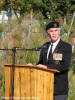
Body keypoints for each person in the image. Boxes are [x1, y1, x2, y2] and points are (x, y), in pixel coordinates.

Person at [37, 21, 72, 100]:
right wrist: (33, 67)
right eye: (51, 31)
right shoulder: (44, 46)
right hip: (44, 88)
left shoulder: (66, 47)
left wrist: (47, 67)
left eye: (56, 30)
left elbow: (65, 66)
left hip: (59, 90)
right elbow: (41, 63)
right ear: (47, 33)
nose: (54, 33)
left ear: (59, 32)